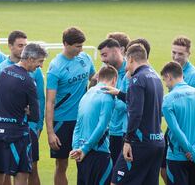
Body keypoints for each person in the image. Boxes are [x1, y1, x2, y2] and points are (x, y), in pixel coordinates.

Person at [0, 43, 47, 185]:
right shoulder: (28, 81)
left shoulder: (3, 71)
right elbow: (35, 116)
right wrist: (27, 110)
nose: (40, 66)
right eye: (40, 62)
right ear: (31, 59)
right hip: (18, 134)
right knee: (21, 174)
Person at [106, 44, 164, 185]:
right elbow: (143, 103)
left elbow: (136, 113)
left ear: (131, 59)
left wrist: (127, 141)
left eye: (127, 62)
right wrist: (119, 93)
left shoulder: (137, 79)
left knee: (116, 182)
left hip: (139, 142)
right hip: (157, 142)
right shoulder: (155, 77)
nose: (126, 67)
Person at [46, 27, 95, 185]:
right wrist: (50, 132)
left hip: (83, 119)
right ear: (66, 44)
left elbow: (94, 79)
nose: (81, 49)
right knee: (62, 164)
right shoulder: (55, 67)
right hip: (62, 121)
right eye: (77, 46)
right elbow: (50, 101)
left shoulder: (85, 58)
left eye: (82, 46)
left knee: (85, 160)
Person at [161, 35, 195, 184]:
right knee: (163, 169)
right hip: (173, 128)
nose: (176, 56)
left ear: (189, 54)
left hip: (188, 132)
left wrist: (193, 148)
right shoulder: (171, 71)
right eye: (174, 52)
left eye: (180, 53)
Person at [70, 65, 118, 185]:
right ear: (114, 80)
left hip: (81, 154)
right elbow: (102, 126)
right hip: (98, 153)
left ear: (98, 78)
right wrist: (85, 149)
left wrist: (76, 147)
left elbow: (78, 124)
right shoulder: (108, 95)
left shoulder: (86, 94)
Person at [97, 38, 127, 164]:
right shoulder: (106, 69)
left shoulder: (131, 72)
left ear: (117, 51)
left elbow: (128, 103)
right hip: (107, 131)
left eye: (105, 55)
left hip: (124, 134)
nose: (103, 60)